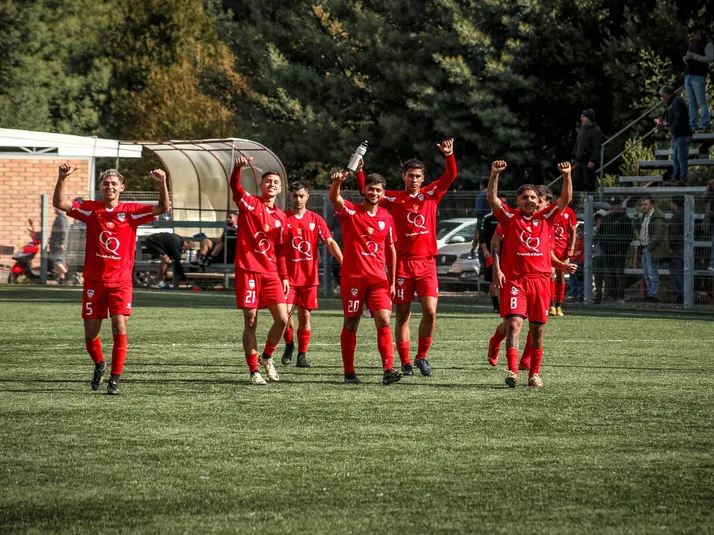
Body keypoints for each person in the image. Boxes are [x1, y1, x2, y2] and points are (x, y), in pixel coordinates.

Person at [52, 164, 170, 395]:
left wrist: (162, 184)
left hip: (121, 282)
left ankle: (115, 379)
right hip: (94, 282)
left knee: (119, 327)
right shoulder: (91, 210)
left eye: (114, 183)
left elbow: (163, 207)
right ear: (100, 187)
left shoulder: (131, 211)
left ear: (122, 188)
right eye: (106, 183)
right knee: (90, 335)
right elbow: (60, 203)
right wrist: (62, 178)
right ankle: (99, 364)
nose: (110, 187)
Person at [356, 138, 457, 377]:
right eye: (410, 176)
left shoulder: (431, 194)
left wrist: (449, 155)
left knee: (430, 311)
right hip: (402, 264)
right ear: (404, 177)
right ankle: (405, 362)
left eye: (418, 176)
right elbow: (366, 192)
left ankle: (422, 356)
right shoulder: (393, 198)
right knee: (402, 315)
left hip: (426, 263)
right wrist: (360, 172)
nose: (414, 179)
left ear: (423, 178)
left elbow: (450, 175)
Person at [487, 160, 573, 388]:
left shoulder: (546, 217)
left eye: (533, 197)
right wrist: (495, 174)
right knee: (514, 324)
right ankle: (513, 371)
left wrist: (567, 175)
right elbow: (492, 199)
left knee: (538, 330)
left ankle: (534, 374)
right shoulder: (509, 218)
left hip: (541, 282)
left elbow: (565, 199)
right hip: (516, 281)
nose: (529, 200)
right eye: (524, 197)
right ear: (517, 200)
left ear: (538, 201)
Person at [329, 170, 402, 385]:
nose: (374, 193)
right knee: (351, 322)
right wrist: (336, 183)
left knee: (384, 319)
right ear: (364, 190)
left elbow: (391, 249)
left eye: (378, 190)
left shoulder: (387, 217)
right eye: (371, 189)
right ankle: (349, 373)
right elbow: (335, 198)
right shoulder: (351, 211)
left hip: (378, 280)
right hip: (353, 277)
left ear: (383, 193)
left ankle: (388, 370)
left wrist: (392, 281)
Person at [229, 157, 289, 386]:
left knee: (282, 319)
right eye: (268, 181)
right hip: (248, 269)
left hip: (271, 272)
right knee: (251, 320)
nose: (272, 184)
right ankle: (254, 370)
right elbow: (235, 187)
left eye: (276, 182)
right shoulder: (250, 203)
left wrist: (284, 276)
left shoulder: (282, 217)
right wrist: (237, 168)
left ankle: (267, 356)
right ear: (261, 185)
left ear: (280, 188)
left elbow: (280, 249)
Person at [281, 181, 343, 368]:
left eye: (302, 196)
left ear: (307, 197)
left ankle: (302, 355)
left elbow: (329, 241)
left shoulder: (316, 219)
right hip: (287, 279)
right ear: (290, 196)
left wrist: (343, 261)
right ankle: (289, 344)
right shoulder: (282, 218)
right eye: (295, 195)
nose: (298, 199)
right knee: (285, 317)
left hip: (309, 279)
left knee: (305, 317)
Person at [476, 194, 507, 313]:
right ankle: (496, 305)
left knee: (508, 279)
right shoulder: (488, 218)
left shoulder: (509, 217)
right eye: (500, 202)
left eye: (504, 203)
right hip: (492, 254)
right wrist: (485, 251)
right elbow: (482, 237)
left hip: (508, 255)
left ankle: (506, 303)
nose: (502, 205)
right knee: (493, 279)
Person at [598, 199, 632, 303]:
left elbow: (629, 235)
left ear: (620, 206)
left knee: (619, 273)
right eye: (612, 205)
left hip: (619, 252)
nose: (613, 207)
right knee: (610, 274)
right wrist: (604, 247)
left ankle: (620, 296)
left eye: (616, 205)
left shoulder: (625, 219)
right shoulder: (606, 218)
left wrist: (622, 249)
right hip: (608, 251)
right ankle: (612, 295)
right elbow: (600, 234)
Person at [549, 189, 577, 316]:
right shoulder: (550, 211)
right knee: (550, 275)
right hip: (550, 248)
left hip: (563, 249)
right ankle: (550, 304)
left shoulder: (569, 212)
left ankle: (559, 305)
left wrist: (571, 248)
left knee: (560, 276)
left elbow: (573, 231)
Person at [636, 196, 667, 303]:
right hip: (644, 247)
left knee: (652, 272)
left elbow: (658, 234)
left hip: (650, 248)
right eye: (642, 204)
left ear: (651, 204)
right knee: (646, 273)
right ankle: (650, 294)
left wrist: (649, 247)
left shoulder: (657, 216)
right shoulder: (645, 216)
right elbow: (640, 230)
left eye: (645, 204)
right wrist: (636, 220)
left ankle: (653, 294)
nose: (643, 206)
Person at [659, 86, 693, 183]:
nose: (662, 98)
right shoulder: (673, 102)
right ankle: (676, 176)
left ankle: (682, 177)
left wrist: (672, 131)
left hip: (682, 134)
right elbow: (674, 119)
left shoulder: (676, 102)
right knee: (675, 158)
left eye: (662, 96)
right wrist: (664, 124)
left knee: (680, 157)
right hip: (678, 135)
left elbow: (679, 118)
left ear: (667, 94)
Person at [683, 26, 713, 131]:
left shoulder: (707, 44)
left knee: (701, 101)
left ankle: (704, 123)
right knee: (691, 103)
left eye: (692, 36)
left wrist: (694, 56)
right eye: (689, 37)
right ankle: (692, 124)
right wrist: (686, 58)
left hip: (699, 76)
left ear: (697, 33)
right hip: (688, 75)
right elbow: (688, 59)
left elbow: (710, 58)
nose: (691, 38)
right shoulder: (691, 45)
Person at [571, 109, 603, 191]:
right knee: (575, 181)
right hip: (578, 161)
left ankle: (591, 199)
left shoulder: (596, 130)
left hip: (588, 162)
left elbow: (597, 147)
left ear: (589, 118)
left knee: (588, 183)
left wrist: (593, 160)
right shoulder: (581, 129)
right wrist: (573, 156)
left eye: (583, 117)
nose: (581, 119)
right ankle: (577, 199)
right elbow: (577, 144)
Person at [669, 196, 685, 304]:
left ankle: (682, 295)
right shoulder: (686, 214)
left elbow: (673, 234)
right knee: (683, 272)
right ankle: (685, 294)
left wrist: (670, 247)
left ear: (675, 204)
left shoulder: (676, 216)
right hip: (685, 247)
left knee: (675, 272)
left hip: (677, 248)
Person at [48, 208, 69, 284]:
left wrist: (62, 243)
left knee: (55, 260)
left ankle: (68, 275)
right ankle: (61, 280)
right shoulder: (61, 217)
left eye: (56, 209)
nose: (55, 210)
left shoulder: (61, 218)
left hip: (58, 244)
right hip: (58, 243)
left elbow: (63, 231)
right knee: (61, 261)